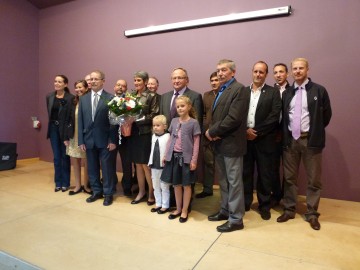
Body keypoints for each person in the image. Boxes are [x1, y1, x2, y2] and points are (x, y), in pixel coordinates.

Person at [277, 58, 332, 230]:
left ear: (307, 69)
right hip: (290, 141)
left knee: (314, 180)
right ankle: (289, 209)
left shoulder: (319, 90)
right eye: (295, 68)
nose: (298, 71)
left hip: (310, 141)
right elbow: (284, 117)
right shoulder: (287, 93)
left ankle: (312, 213)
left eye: (301, 68)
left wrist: (313, 132)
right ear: (291, 71)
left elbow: (326, 116)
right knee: (289, 178)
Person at [206, 59, 249, 232]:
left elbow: (233, 118)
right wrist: (214, 132)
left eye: (224, 70)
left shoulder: (239, 90)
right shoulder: (221, 90)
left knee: (234, 182)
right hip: (220, 144)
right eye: (218, 71)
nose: (220, 73)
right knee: (223, 182)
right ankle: (225, 211)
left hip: (231, 145)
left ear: (233, 71)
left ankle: (236, 219)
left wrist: (212, 131)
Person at [243, 61, 282, 220]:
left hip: (265, 140)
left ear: (266, 74)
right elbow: (237, 114)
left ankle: (264, 205)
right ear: (252, 72)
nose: (258, 74)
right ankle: (245, 202)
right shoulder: (243, 92)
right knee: (245, 173)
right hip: (244, 139)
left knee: (265, 174)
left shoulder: (273, 92)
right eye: (256, 71)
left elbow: (274, 117)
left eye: (262, 72)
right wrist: (245, 131)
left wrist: (256, 132)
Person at [78, 70, 118, 206]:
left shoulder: (111, 98)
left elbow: (114, 122)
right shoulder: (83, 99)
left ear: (103, 81)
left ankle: (108, 193)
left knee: (107, 168)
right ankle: (96, 191)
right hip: (88, 140)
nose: (93, 81)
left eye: (96, 79)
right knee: (92, 167)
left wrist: (112, 140)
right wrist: (80, 140)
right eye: (91, 79)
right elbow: (81, 121)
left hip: (106, 140)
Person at [161, 96, 201, 223]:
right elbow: (170, 140)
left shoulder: (194, 123)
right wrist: (165, 155)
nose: (179, 108)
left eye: (182, 106)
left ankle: (185, 210)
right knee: (176, 185)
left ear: (189, 107)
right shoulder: (173, 121)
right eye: (178, 106)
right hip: (173, 157)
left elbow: (196, 143)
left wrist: (194, 160)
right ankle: (178, 209)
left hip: (186, 160)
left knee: (187, 185)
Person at [129, 71, 159, 205]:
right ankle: (141, 192)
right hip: (133, 133)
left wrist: (136, 119)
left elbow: (154, 115)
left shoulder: (152, 96)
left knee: (146, 165)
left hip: (145, 133)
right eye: (135, 80)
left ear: (146, 82)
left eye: (139, 80)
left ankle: (151, 193)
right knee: (138, 165)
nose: (136, 83)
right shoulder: (131, 95)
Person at [46, 75, 74, 192]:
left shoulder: (70, 98)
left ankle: (65, 183)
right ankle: (58, 182)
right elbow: (50, 113)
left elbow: (70, 117)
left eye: (60, 82)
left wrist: (67, 133)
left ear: (65, 84)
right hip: (53, 128)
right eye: (55, 81)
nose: (56, 83)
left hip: (64, 129)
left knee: (65, 156)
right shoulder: (49, 96)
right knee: (57, 157)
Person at [65, 80, 92, 195]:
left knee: (86, 162)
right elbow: (67, 120)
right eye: (76, 87)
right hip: (73, 136)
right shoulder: (73, 101)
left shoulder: (89, 101)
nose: (78, 90)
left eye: (81, 87)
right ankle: (77, 186)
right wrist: (65, 137)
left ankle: (86, 185)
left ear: (86, 88)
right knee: (75, 161)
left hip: (85, 136)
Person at [196, 71, 220, 198]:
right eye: (212, 80)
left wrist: (217, 132)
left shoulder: (226, 94)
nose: (214, 82)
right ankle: (207, 189)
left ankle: (226, 193)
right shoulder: (206, 95)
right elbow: (203, 115)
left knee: (223, 166)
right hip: (207, 135)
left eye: (216, 80)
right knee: (208, 163)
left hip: (222, 135)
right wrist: (207, 131)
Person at [271, 63, 291, 205]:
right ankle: (276, 195)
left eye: (281, 72)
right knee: (273, 167)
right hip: (272, 135)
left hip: (289, 135)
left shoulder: (293, 91)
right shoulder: (270, 91)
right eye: (276, 72)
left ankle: (286, 197)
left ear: (287, 74)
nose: (278, 75)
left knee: (289, 169)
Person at [113, 79, 136, 197]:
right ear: (114, 87)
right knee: (109, 161)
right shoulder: (109, 100)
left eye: (123, 86)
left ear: (126, 89)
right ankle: (112, 183)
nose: (120, 87)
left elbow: (133, 116)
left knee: (127, 162)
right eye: (118, 85)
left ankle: (127, 186)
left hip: (125, 136)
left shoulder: (130, 101)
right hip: (111, 136)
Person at [148, 115, 171, 214]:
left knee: (164, 186)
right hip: (154, 165)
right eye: (154, 125)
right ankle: (158, 203)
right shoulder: (153, 136)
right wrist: (150, 162)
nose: (155, 127)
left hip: (163, 166)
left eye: (158, 125)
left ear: (164, 126)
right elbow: (152, 150)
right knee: (155, 185)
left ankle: (165, 205)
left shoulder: (168, 136)